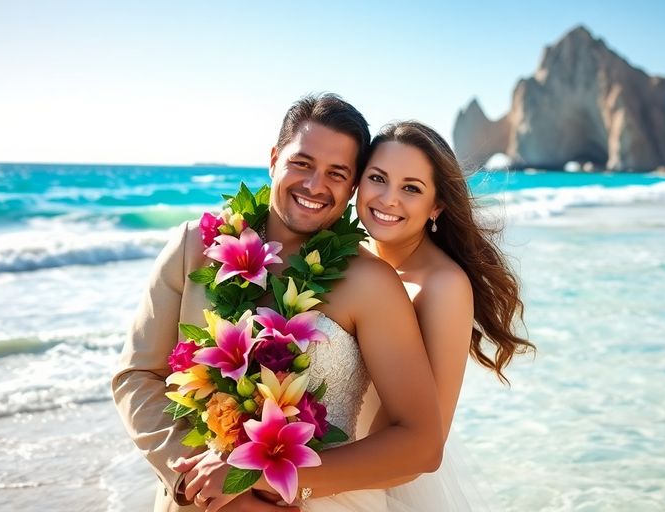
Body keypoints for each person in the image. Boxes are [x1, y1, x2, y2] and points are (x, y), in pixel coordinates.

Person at [112, 94, 444, 512]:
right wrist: (190, 478)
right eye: (302, 163)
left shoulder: (370, 283)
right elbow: (138, 375)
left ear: (353, 186)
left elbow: (420, 443)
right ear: (274, 159)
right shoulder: (193, 246)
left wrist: (270, 480)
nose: (314, 185)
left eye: (336, 173)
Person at [352, 121, 534, 509]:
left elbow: (421, 450)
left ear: (437, 205)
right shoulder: (347, 260)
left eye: (411, 188)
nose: (388, 199)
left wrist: (297, 484)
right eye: (377, 178)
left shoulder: (443, 287)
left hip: (376, 488)